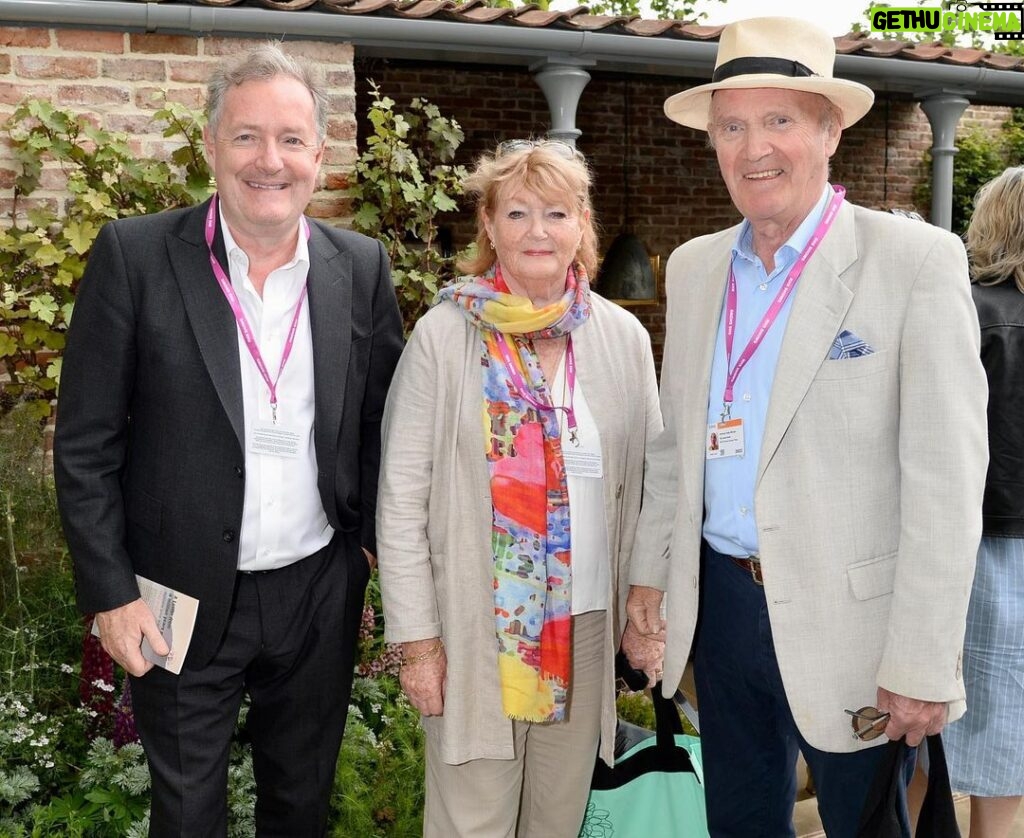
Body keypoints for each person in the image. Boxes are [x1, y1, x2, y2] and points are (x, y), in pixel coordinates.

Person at [622, 16, 989, 837]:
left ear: (830, 129)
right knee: (741, 825)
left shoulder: (914, 263)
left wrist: (922, 660)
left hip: (856, 626)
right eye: (733, 126)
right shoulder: (695, 266)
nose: (755, 148)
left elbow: (946, 481)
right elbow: (676, 451)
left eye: (779, 120)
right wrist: (650, 585)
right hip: (719, 612)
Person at [53, 43, 404, 836]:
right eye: (246, 136)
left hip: (317, 590)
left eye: (289, 139)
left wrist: (379, 559)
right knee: (186, 814)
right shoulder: (136, 257)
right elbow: (84, 447)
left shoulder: (360, 266)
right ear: (210, 146)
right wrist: (110, 594)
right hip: (176, 593)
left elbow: (383, 427)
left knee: (301, 804)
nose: (268, 160)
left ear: (319, 153)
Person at [375, 140, 663, 837]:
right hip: (478, 632)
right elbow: (400, 503)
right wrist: (417, 643)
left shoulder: (621, 337)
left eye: (557, 213)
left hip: (587, 629)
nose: (539, 230)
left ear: (582, 225)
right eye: (519, 212)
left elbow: (658, 484)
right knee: (471, 824)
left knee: (557, 823)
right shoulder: (444, 339)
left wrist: (644, 608)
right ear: (489, 225)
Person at [942, 166, 1024, 838]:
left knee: (917, 746)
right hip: (1003, 541)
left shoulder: (966, 307)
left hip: (970, 542)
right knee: (1009, 758)